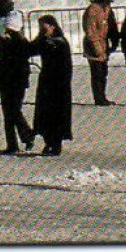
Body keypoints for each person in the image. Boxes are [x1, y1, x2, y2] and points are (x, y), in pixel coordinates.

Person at [0, 12, 36, 154]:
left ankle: (22, 138)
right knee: (12, 112)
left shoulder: (15, 43)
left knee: (11, 112)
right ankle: (16, 142)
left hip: (11, 80)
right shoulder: (17, 42)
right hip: (14, 80)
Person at [31, 14, 74, 155]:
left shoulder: (60, 42)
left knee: (57, 114)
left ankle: (55, 144)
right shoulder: (43, 41)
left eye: (45, 27)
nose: (43, 30)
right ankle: (49, 141)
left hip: (59, 84)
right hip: (46, 83)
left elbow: (66, 65)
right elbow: (31, 49)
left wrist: (64, 81)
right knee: (44, 114)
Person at [82, 0, 121, 105]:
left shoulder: (107, 9)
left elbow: (112, 27)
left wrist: (114, 43)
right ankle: (98, 98)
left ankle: (102, 96)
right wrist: (97, 46)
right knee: (97, 72)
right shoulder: (92, 9)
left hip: (104, 44)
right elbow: (90, 30)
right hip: (93, 43)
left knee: (103, 72)